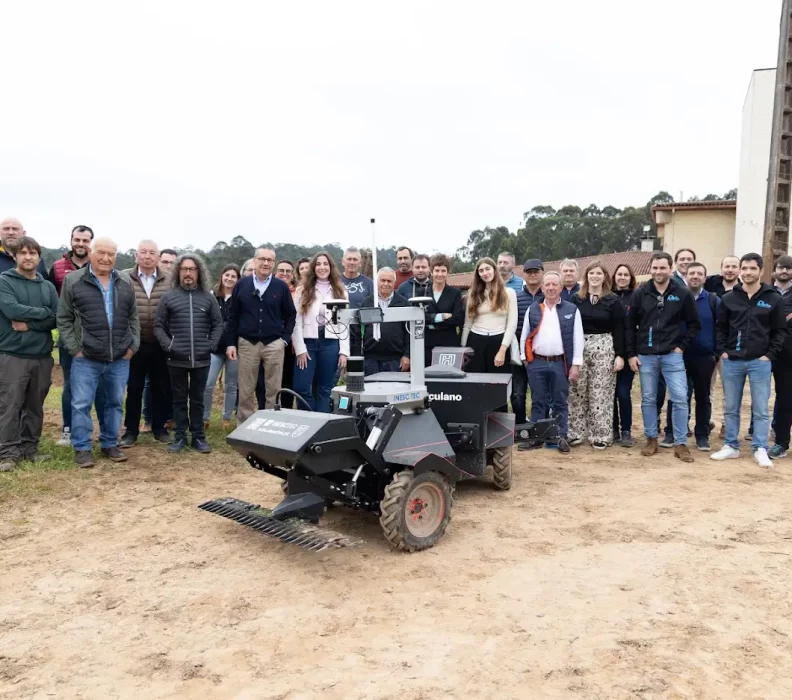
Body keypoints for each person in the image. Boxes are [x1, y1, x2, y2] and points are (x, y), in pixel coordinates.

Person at [57, 237, 140, 468]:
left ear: (116, 256)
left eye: (111, 254)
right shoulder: (74, 280)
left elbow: (133, 316)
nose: (106, 258)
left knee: (114, 402)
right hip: (86, 357)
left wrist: (133, 346)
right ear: (92, 253)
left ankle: (109, 443)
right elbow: (63, 317)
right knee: (81, 403)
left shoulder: (124, 280)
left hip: (119, 357)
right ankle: (82, 448)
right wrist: (75, 348)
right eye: (101, 252)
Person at [711, 253, 786, 469]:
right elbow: (720, 328)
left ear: (761, 271)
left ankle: (760, 447)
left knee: (761, 408)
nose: (747, 272)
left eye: (752, 268)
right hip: (732, 361)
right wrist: (723, 351)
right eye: (744, 268)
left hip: (760, 362)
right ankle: (731, 446)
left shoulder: (773, 298)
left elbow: (779, 330)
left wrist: (769, 355)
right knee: (731, 406)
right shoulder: (728, 298)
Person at [626, 252, 701, 463]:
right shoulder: (640, 293)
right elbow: (630, 326)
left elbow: (694, 325)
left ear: (670, 269)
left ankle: (680, 443)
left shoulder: (682, 293)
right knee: (649, 398)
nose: (658, 272)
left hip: (672, 355)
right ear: (651, 269)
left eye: (662, 268)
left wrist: (681, 347)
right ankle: (651, 438)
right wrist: (631, 353)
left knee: (679, 397)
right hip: (646, 355)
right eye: (655, 268)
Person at [155, 254, 223, 453]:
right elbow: (159, 326)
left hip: (202, 359)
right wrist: (169, 345)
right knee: (178, 399)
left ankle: (198, 437)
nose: (188, 273)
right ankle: (180, 437)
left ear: (198, 272)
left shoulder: (208, 297)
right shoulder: (169, 297)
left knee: (197, 399)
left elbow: (218, 324)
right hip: (176, 359)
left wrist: (210, 345)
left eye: (192, 269)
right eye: (184, 269)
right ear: (178, 272)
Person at [0, 237, 58, 472]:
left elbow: (56, 317)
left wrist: (32, 323)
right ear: (14, 256)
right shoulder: (5, 282)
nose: (28, 257)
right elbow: (11, 309)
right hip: (12, 354)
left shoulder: (47, 287)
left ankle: (29, 449)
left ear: (39, 257)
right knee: (10, 405)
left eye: (33, 253)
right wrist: (43, 314)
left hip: (42, 356)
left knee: (35, 406)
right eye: (23, 253)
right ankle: (7, 453)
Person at [226, 247, 296, 421]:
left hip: (274, 343)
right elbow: (233, 315)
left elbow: (290, 314)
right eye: (262, 259)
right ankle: (244, 426)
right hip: (247, 343)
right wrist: (231, 343)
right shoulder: (242, 284)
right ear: (255, 260)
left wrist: (285, 340)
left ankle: (270, 424)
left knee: (273, 388)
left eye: (270, 260)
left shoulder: (281, 286)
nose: (266, 263)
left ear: (274, 263)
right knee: (246, 388)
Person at [520, 271, 584, 453]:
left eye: (554, 284)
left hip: (560, 363)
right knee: (538, 401)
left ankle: (560, 436)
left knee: (560, 401)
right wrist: (525, 359)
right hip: (537, 363)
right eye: (547, 284)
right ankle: (536, 437)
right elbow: (524, 335)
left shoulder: (571, 310)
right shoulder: (533, 309)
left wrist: (576, 364)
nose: (550, 288)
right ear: (542, 287)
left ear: (561, 288)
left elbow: (578, 338)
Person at [660, 262, 719, 452]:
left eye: (699, 273)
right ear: (685, 275)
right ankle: (672, 433)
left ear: (705, 277)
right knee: (677, 397)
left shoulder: (713, 300)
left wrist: (716, 352)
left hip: (704, 356)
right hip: (678, 355)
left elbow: (721, 327)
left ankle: (702, 436)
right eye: (691, 273)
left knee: (703, 397)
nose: (695, 276)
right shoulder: (677, 297)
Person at [118, 240, 172, 448]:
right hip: (134, 343)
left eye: (152, 252)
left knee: (161, 388)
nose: (147, 256)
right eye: (143, 252)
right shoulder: (123, 277)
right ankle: (131, 430)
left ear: (158, 257)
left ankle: (159, 428)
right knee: (134, 389)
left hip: (160, 343)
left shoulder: (169, 279)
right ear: (136, 256)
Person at [568, 261, 625, 449]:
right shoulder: (576, 299)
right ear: (586, 276)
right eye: (591, 273)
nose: (595, 276)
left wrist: (620, 355)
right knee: (577, 389)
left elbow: (619, 328)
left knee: (601, 391)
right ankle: (575, 432)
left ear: (604, 277)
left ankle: (600, 435)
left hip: (604, 346)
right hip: (580, 345)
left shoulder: (613, 300)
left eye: (598, 273)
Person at [48, 225, 96, 446]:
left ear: (90, 244)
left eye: (85, 241)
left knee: (96, 386)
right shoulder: (57, 268)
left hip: (95, 337)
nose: (81, 244)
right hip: (69, 338)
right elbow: (50, 299)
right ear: (71, 240)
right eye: (77, 239)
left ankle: (93, 429)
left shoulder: (98, 266)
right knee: (70, 385)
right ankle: (68, 429)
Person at [292, 253, 350, 411]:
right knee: (301, 387)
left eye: (326, 264)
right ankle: (310, 419)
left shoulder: (341, 292)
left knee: (325, 389)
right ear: (313, 267)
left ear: (331, 267)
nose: (322, 267)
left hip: (330, 343)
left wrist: (344, 352)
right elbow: (296, 322)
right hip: (308, 343)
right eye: (318, 264)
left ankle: (321, 426)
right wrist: (300, 349)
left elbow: (345, 324)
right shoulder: (302, 291)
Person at [704, 255, 741, 438]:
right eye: (727, 266)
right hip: (710, 343)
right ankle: (707, 421)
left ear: (739, 270)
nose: (730, 269)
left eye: (734, 266)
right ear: (721, 268)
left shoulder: (743, 290)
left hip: (731, 345)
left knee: (729, 387)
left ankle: (727, 424)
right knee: (707, 386)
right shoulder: (710, 285)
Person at [461, 257, 518, 375]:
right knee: (475, 382)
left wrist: (502, 350)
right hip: (476, 341)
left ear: (494, 269)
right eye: (481, 270)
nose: (485, 273)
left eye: (487, 269)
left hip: (499, 341)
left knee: (498, 385)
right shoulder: (473, 293)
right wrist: (463, 348)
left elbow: (512, 325)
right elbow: (467, 323)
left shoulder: (509, 293)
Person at [142, 247, 178, 431]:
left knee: (169, 381)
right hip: (151, 339)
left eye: (172, 263)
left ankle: (168, 417)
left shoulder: (176, 284)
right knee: (149, 383)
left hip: (173, 341)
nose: (168, 266)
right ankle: (148, 419)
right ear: (158, 261)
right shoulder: (152, 281)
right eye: (165, 262)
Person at [202, 264, 241, 427]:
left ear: (238, 279)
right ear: (222, 276)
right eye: (227, 275)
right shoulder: (211, 296)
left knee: (231, 385)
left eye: (233, 276)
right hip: (215, 348)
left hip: (234, 349)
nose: (229, 279)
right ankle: (204, 418)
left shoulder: (240, 298)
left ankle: (226, 418)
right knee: (208, 384)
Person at [357, 268, 410, 375]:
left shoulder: (403, 303)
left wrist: (407, 355)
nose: (386, 284)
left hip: (395, 360)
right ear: (377, 281)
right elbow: (357, 331)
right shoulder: (367, 302)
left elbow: (409, 332)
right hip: (370, 359)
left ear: (394, 283)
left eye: (389, 281)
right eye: (383, 280)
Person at [512, 259, 545, 427]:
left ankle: (539, 426)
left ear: (542, 273)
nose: (533, 274)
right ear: (524, 274)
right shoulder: (515, 298)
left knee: (540, 394)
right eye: (529, 271)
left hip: (541, 354)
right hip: (519, 354)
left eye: (536, 271)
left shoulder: (548, 297)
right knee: (517, 394)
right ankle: (520, 427)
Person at [612, 263, 637, 447]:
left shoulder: (636, 297)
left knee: (623, 392)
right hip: (608, 352)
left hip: (628, 352)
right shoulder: (609, 297)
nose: (622, 277)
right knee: (609, 394)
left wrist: (630, 353)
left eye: (625, 274)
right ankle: (612, 428)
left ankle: (626, 430)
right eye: (619, 274)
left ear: (631, 278)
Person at [770, 255, 792, 460]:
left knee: (787, 400)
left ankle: (781, 443)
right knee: (764, 397)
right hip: (765, 353)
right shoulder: (766, 292)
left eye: (788, 268)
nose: (784, 271)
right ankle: (780, 441)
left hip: (789, 355)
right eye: (781, 267)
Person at [423, 254, 464, 366]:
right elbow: (419, 317)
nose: (440, 274)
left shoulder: (455, 293)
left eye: (443, 271)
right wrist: (440, 317)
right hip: (427, 343)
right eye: (437, 270)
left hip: (448, 342)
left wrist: (431, 321)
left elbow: (458, 319)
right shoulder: (422, 292)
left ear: (448, 272)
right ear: (431, 272)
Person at [275, 260, 297, 407]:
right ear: (276, 272)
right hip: (271, 340)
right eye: (281, 270)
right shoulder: (270, 289)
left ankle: (287, 410)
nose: (284, 274)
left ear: (292, 274)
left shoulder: (298, 292)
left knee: (288, 380)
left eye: (288, 271)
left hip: (291, 342)